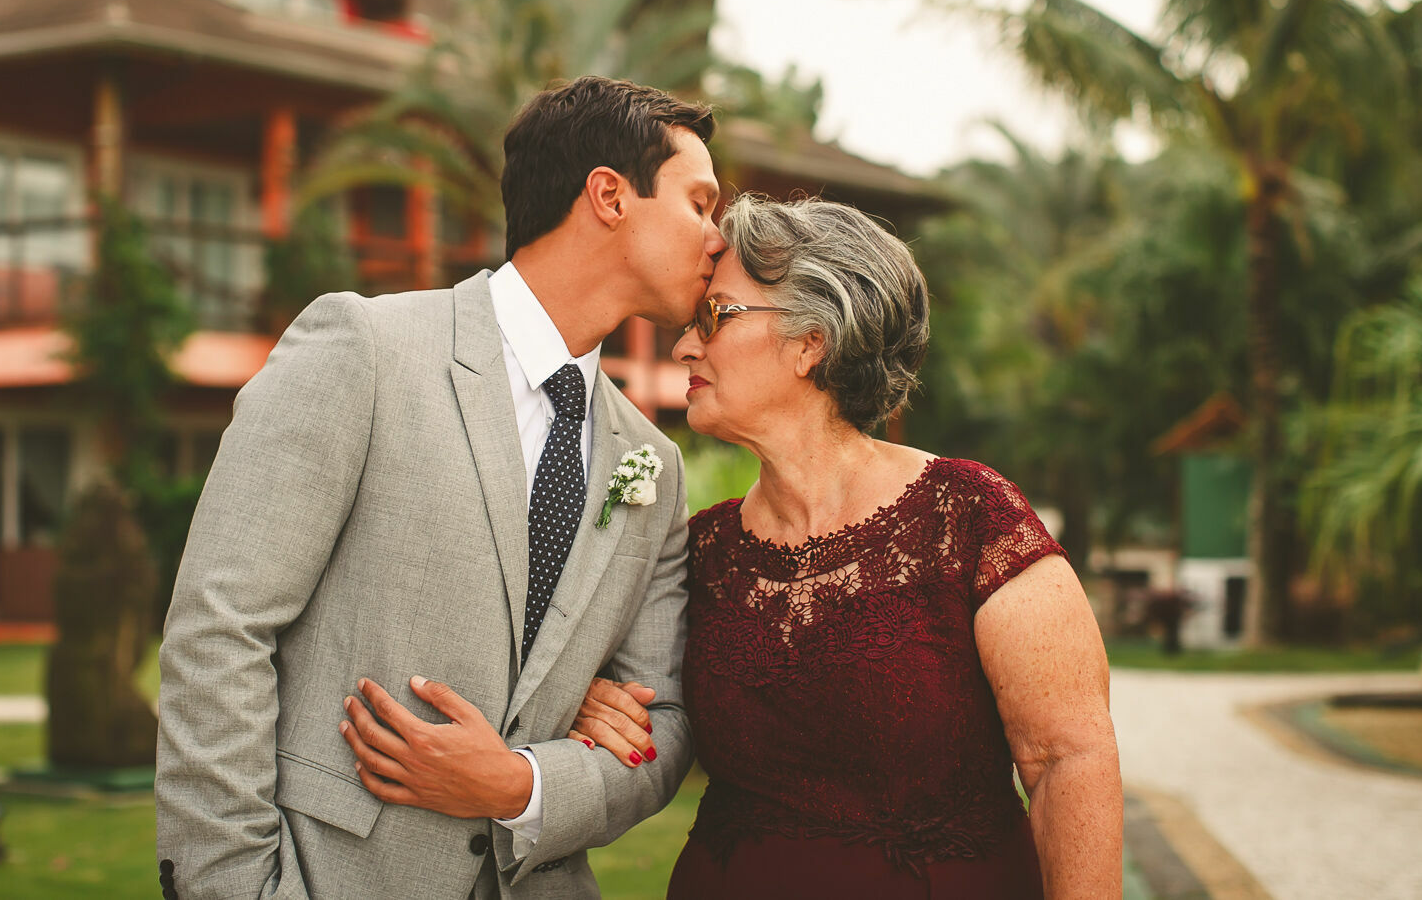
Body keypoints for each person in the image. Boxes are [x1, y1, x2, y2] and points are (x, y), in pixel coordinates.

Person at [155, 77, 722, 900]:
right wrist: (232, 887)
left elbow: (663, 726)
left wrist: (524, 785)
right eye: (699, 203)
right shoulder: (366, 349)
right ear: (609, 196)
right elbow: (220, 625)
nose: (717, 237)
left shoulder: (653, 466)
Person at [572, 194, 1122, 899]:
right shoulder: (700, 549)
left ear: (812, 341)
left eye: (715, 315)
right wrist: (588, 699)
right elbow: (637, 703)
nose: (684, 345)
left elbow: (1068, 759)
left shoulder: (968, 516)